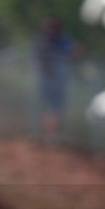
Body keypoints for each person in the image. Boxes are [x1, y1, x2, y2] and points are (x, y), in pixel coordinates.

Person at [35, 15, 76, 144]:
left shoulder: (58, 41)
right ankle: (50, 136)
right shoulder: (45, 41)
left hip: (54, 80)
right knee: (52, 108)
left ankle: (50, 135)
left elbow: (76, 50)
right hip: (50, 80)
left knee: (53, 108)